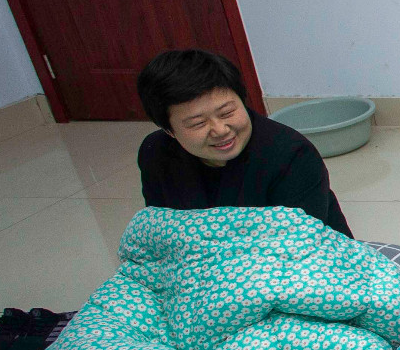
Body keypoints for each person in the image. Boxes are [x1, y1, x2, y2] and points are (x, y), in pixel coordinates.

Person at [136, 49, 352, 236]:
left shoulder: (291, 155)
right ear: (169, 130)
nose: (221, 130)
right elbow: (162, 230)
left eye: (227, 112)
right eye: (198, 123)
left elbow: (301, 242)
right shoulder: (155, 153)